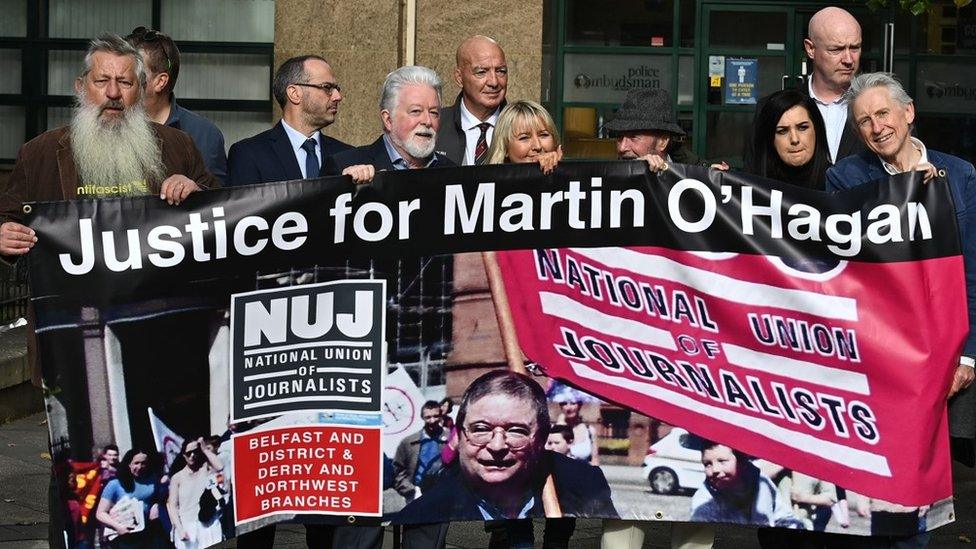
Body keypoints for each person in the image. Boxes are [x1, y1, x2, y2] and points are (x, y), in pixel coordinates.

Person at [0, 36, 216, 548]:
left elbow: (219, 222)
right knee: (73, 478)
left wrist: (195, 193)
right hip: (72, 349)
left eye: (125, 82)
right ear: (82, 87)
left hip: (162, 344)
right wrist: (4, 240)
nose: (114, 93)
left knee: (159, 464)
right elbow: (9, 219)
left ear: (141, 90)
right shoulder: (40, 154)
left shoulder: (176, 148)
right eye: (103, 81)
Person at [826, 72, 975, 548]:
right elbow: (843, 268)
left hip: (946, 358)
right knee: (876, 496)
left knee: (922, 494)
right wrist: (909, 195)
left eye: (883, 113)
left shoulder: (962, 175)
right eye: (864, 120)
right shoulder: (845, 177)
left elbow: (974, 269)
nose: (877, 127)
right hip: (880, 360)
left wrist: (968, 358)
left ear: (908, 112)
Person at [600, 87, 721, 549]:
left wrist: (676, 181)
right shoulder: (607, 184)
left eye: (634, 136)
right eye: (619, 136)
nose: (623, 146)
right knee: (621, 513)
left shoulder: (703, 185)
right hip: (630, 360)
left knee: (692, 520)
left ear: (664, 142)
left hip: (690, 361)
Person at [396, 369, 618, 524]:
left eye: (516, 431)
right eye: (481, 429)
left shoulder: (583, 487)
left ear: (541, 440)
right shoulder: (422, 521)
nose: (497, 445)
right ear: (460, 437)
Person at [746, 6, 865, 170]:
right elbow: (755, 176)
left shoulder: (879, 105)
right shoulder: (770, 107)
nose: (848, 59)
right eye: (836, 49)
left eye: (854, 48)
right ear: (810, 49)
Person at [227, 55, 352, 186]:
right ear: (294, 93)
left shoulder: (347, 155)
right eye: (327, 87)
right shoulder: (249, 154)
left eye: (337, 89)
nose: (338, 97)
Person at [125, 26, 227, 184]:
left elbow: (219, 201)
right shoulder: (108, 125)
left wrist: (196, 190)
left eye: (131, 73)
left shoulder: (203, 134)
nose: (115, 87)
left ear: (160, 82)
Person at [324, 65, 455, 181]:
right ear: (388, 119)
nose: (427, 121)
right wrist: (345, 185)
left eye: (434, 113)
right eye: (416, 111)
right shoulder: (344, 166)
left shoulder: (454, 173)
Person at [689, 440, 801, 528]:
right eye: (707, 464)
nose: (715, 469)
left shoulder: (762, 483)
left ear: (741, 461)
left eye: (722, 461)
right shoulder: (703, 502)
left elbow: (784, 518)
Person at [436, 35, 508, 165]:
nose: (494, 81)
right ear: (459, 78)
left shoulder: (524, 127)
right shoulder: (435, 126)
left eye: (501, 71)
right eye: (481, 72)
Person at [747, 88, 831, 190]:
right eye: (782, 131)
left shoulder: (839, 184)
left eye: (802, 127)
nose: (794, 139)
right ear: (770, 139)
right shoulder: (751, 186)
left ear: (816, 130)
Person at [95, 448, 167, 549]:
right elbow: (100, 513)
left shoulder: (153, 480)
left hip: (150, 533)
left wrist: (157, 505)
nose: (140, 467)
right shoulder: (115, 484)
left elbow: (162, 499)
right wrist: (118, 527)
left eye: (144, 463)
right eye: (136, 463)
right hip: (126, 535)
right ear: (129, 464)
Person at [166, 438, 224, 549]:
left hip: (208, 523)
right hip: (188, 526)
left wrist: (205, 449)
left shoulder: (205, 468)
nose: (192, 455)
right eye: (189, 453)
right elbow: (172, 506)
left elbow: (220, 466)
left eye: (195, 452)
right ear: (183, 455)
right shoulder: (177, 478)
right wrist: (180, 529)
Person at [393, 400, 450, 502]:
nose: (432, 420)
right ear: (422, 418)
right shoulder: (408, 442)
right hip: (416, 494)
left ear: (441, 416)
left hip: (444, 493)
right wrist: (410, 490)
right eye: (428, 417)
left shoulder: (452, 439)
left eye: (436, 416)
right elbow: (398, 470)